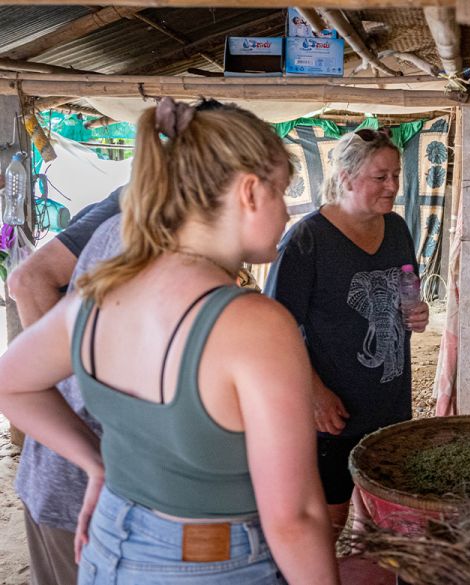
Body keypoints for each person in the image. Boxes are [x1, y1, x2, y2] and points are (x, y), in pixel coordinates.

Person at [0, 97, 339, 584]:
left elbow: (12, 384)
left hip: (108, 551)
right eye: (282, 191)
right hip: (211, 563)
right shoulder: (255, 324)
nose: (287, 212)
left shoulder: (99, 295)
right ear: (248, 192)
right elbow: (295, 519)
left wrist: (96, 466)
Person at [265, 127, 429, 537]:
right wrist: (314, 392)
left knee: (378, 503)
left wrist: (418, 311)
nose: (393, 185)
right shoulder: (307, 241)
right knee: (330, 515)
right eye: (380, 177)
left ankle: (362, 558)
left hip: (390, 396)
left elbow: (406, 284)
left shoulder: (396, 229)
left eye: (396, 175)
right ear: (346, 177)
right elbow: (275, 328)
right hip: (333, 407)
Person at [8, 188, 122, 585]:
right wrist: (76, 391)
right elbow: (27, 280)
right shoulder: (134, 210)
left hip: (66, 470)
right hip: (78, 478)